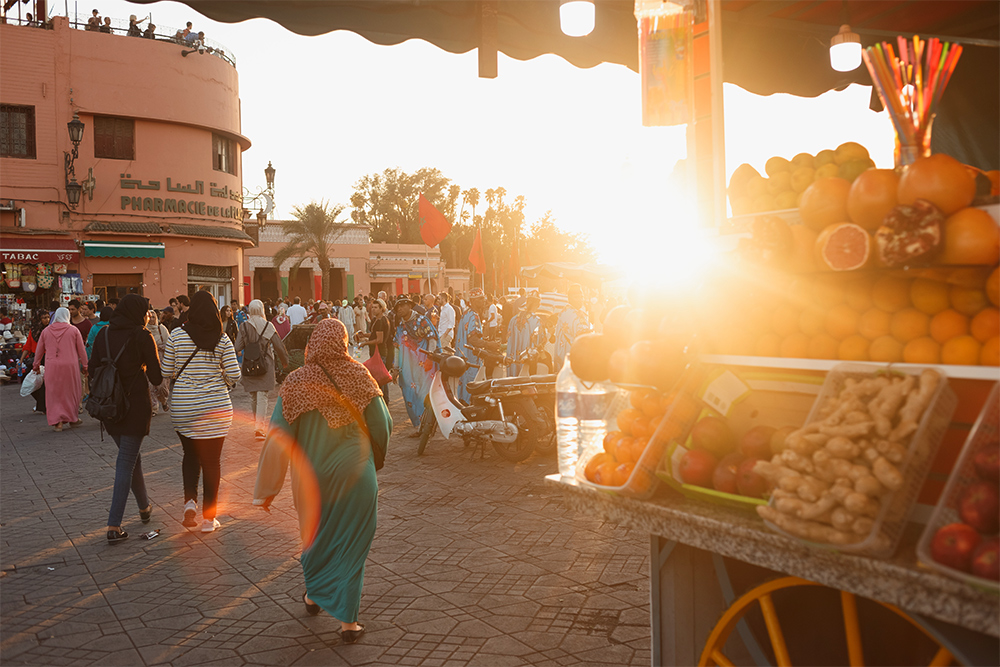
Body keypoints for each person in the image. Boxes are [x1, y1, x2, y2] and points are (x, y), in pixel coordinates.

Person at [253, 319, 391, 644]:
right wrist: (376, 461)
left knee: (314, 538)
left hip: (312, 482)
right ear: (343, 342)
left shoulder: (297, 382)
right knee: (351, 545)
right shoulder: (360, 375)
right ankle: (348, 624)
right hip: (357, 477)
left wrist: (266, 490)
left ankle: (314, 597)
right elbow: (382, 424)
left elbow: (278, 438)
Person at [162, 291, 241, 533]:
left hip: (185, 406)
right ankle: (209, 519)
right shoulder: (222, 338)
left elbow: (166, 370)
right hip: (215, 407)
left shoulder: (177, 334)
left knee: (190, 455)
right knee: (212, 461)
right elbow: (235, 374)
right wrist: (222, 382)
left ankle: (189, 504)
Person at [89, 295, 164, 544]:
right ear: (137, 313)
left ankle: (144, 508)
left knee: (131, 457)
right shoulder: (143, 336)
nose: (147, 316)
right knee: (126, 462)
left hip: (109, 408)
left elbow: (92, 368)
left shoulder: (103, 335)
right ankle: (114, 524)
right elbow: (155, 377)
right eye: (146, 312)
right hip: (134, 408)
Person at [235, 299, 289, 439]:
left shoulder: (244, 326)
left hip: (249, 364)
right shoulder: (268, 325)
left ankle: (256, 424)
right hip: (265, 364)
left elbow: (238, 347)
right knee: (262, 395)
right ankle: (259, 428)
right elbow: (279, 346)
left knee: (253, 395)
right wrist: (285, 362)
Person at [31, 308, 87, 431]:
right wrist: (85, 366)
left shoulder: (46, 331)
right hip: (70, 366)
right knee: (71, 392)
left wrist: (36, 365)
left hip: (52, 366)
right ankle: (72, 418)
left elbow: (39, 350)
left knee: (53, 393)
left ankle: (58, 423)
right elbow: (81, 350)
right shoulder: (73, 330)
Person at [391, 299, 437, 429]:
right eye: (397, 307)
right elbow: (396, 347)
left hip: (423, 366)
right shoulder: (400, 326)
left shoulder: (422, 320)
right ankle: (418, 426)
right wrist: (395, 368)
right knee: (408, 394)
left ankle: (426, 426)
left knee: (423, 394)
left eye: (402, 306)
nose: (399, 309)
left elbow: (432, 338)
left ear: (409, 306)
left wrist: (430, 357)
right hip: (407, 369)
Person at [454, 288, 493, 403]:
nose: (484, 301)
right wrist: (490, 344)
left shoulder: (466, 313)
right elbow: (473, 339)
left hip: (463, 358)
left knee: (464, 387)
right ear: (474, 301)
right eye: (481, 299)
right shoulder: (474, 315)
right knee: (472, 387)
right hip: (471, 359)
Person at [358, 299, 392, 401]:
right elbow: (374, 335)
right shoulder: (377, 320)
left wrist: (364, 343)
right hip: (376, 353)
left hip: (380, 353)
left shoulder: (381, 321)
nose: (373, 309)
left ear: (382, 309)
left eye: (376, 307)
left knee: (381, 378)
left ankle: (384, 400)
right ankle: (384, 399)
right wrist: (364, 335)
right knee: (380, 378)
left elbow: (379, 339)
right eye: (372, 307)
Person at [552, 284, 591, 372]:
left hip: (561, 357)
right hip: (574, 360)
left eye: (582, 297)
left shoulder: (564, 312)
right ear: (569, 298)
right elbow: (585, 338)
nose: (581, 300)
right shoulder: (577, 315)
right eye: (577, 297)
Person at [19, 310, 50, 414]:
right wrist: (21, 359)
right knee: (29, 380)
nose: (47, 320)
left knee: (44, 384)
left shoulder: (49, 330)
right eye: (44, 317)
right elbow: (27, 345)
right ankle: (42, 404)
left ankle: (44, 406)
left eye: (48, 317)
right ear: (38, 319)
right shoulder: (34, 330)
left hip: (46, 358)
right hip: (35, 358)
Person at [507, 295, 541, 376]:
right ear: (537, 305)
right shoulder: (536, 320)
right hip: (527, 357)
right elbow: (538, 340)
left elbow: (508, 337)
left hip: (513, 357)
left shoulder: (513, 319)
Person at [146, 308, 171, 415]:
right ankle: (154, 408)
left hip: (162, 361)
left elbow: (170, 345)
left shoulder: (162, 329)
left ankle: (164, 401)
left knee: (162, 386)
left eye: (153, 317)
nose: (151, 319)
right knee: (151, 386)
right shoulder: (145, 330)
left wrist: (160, 347)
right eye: (149, 317)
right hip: (149, 362)